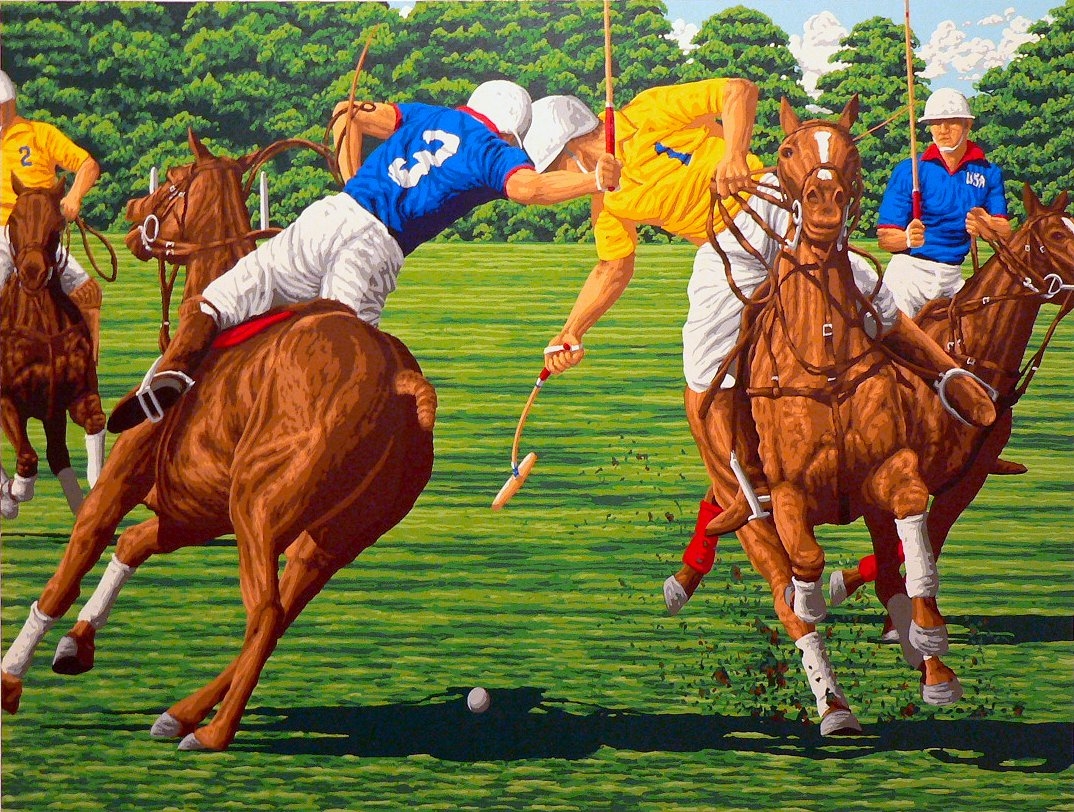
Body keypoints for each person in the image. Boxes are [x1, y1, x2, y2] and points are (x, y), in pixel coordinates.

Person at [523, 80, 997, 614]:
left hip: (766, 198)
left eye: (554, 171)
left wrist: (732, 154)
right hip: (727, 248)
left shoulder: (645, 113)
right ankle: (739, 479)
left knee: (866, 288)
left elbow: (739, 92)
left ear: (571, 149)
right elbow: (613, 268)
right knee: (705, 365)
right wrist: (571, 330)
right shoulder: (606, 202)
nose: (559, 182)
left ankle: (947, 376)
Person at [107, 79, 621, 433]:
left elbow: (345, 113)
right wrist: (592, 181)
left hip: (331, 215)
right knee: (341, 360)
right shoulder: (494, 150)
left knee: (219, 298)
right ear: (511, 129)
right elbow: (529, 188)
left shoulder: (427, 114)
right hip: (375, 248)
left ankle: (172, 370)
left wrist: (351, 173)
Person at [878, 85, 1020, 478]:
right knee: (887, 350)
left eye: (951, 122)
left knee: (980, 354)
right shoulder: (910, 170)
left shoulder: (987, 173)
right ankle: (880, 437)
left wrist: (986, 224)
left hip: (954, 276)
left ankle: (978, 445)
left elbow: (1004, 229)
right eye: (936, 123)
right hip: (910, 273)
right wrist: (907, 238)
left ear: (967, 126)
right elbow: (886, 236)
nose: (942, 130)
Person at [0, 68, 103, 362]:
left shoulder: (40, 134)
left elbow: (88, 165)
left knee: (88, 293)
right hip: (2, 232)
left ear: (10, 105)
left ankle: (85, 372)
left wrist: (74, 196)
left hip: (42, 235)